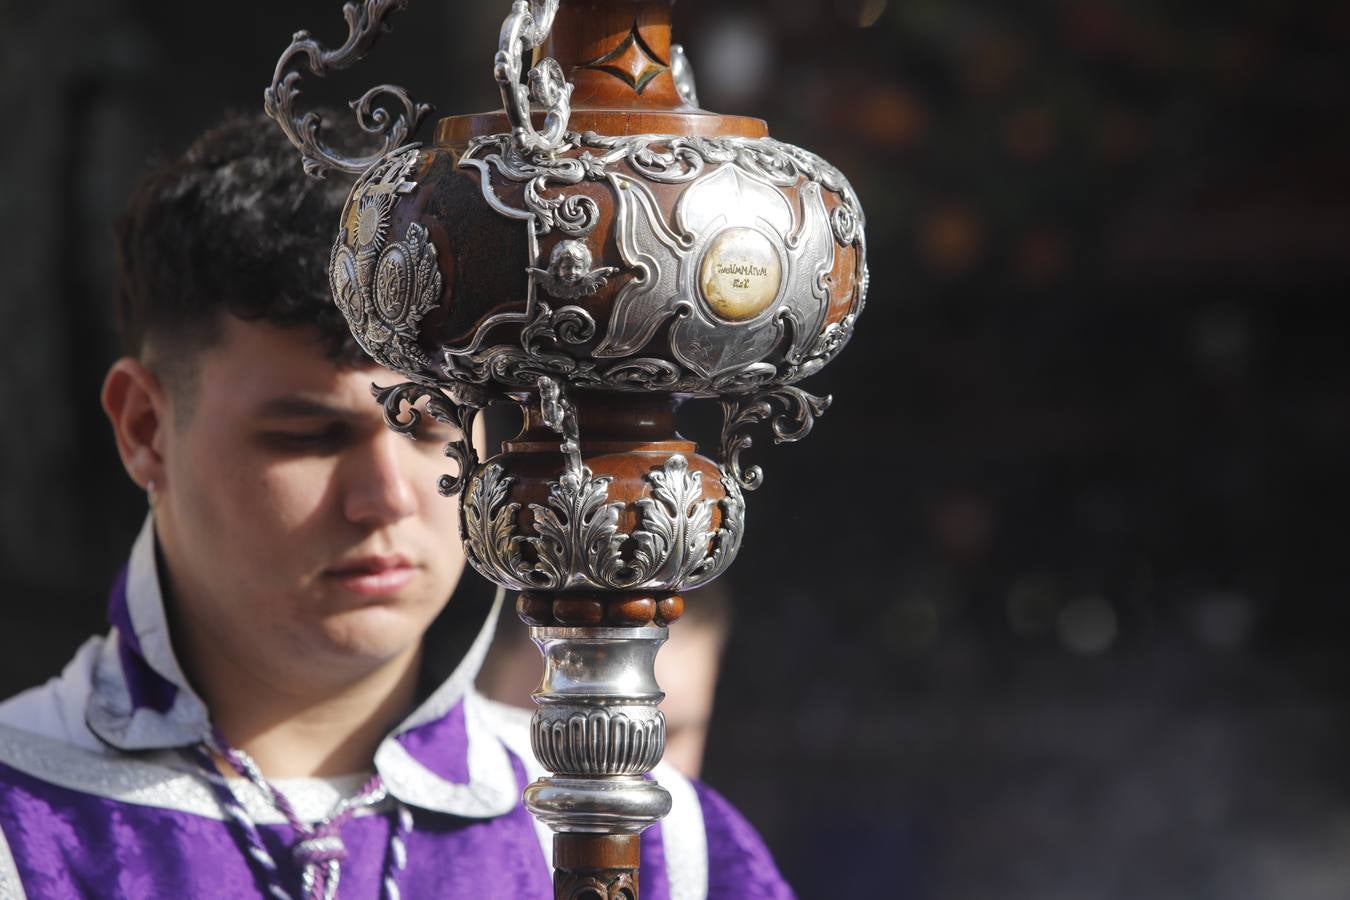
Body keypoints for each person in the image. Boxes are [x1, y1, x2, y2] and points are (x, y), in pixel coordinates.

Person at [0, 112, 791, 899]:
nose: (385, 498)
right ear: (145, 429)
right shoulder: (28, 829)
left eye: (435, 427)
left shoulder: (655, 847)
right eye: (310, 435)